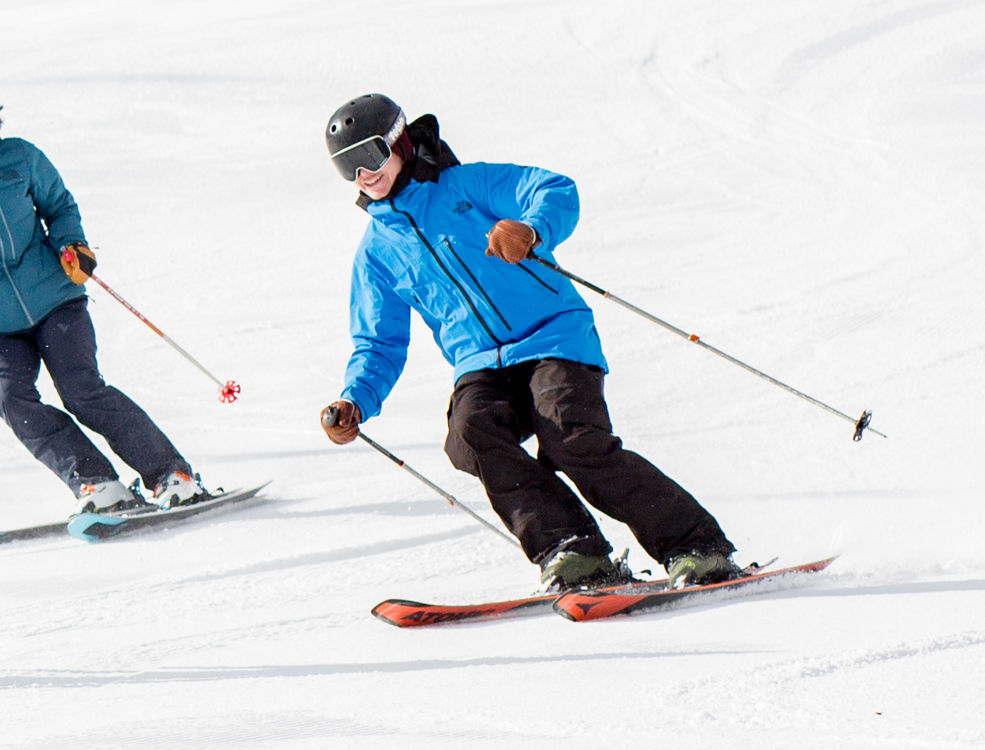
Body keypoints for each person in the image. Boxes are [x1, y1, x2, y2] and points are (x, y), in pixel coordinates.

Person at [312, 93, 742, 591]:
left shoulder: (467, 185)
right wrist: (355, 400)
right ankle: (573, 550)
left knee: (570, 439)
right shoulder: (376, 254)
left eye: (369, 155)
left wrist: (532, 230)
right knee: (469, 433)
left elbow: (556, 190)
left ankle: (696, 546)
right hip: (480, 363)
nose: (363, 174)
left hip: (554, 335)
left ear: (400, 143)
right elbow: (378, 343)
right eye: (347, 167)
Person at [0, 68, 204, 514]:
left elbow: (59, 207)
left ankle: (172, 473)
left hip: (55, 300)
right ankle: (97, 483)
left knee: (83, 391)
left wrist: (73, 247)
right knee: (10, 398)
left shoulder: (21, 158)